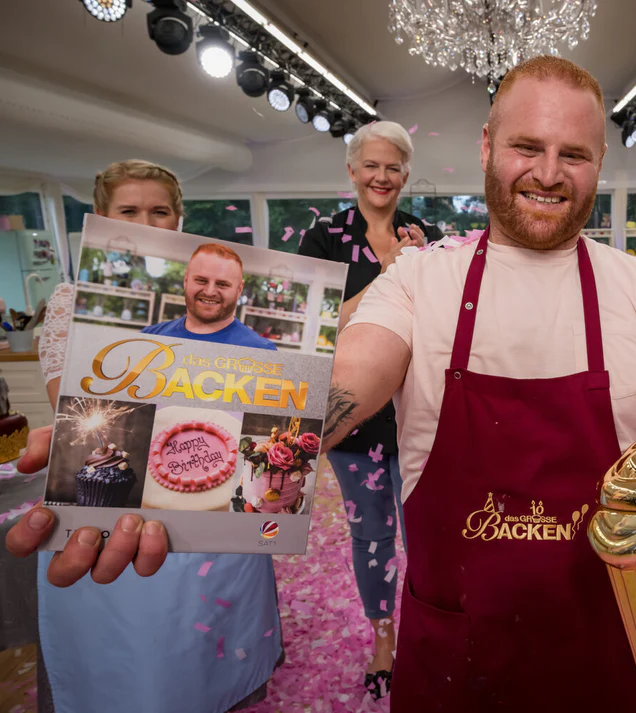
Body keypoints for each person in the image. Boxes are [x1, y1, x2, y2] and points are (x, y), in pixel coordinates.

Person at [323, 55, 636, 712]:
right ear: (488, 146)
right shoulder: (418, 280)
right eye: (526, 146)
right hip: (457, 662)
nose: (547, 173)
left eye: (573, 153)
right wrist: (188, 471)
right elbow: (342, 383)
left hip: (613, 659)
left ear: (600, 160)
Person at [19, 159, 283, 713]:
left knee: (209, 634)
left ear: (179, 220)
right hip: (119, 488)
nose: (147, 222)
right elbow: (77, 411)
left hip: (209, 482)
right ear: (100, 218)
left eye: (159, 211)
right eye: (129, 210)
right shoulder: (74, 301)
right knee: (136, 656)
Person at [298, 120, 443, 697]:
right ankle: (384, 640)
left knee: (424, 535)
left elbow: (444, 323)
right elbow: (315, 329)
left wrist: (423, 269)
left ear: (406, 175)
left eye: (394, 167)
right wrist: (389, 274)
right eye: (372, 165)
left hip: (416, 416)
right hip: (352, 421)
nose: (382, 177)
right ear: (353, 171)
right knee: (373, 536)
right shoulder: (324, 240)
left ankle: (427, 635)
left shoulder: (426, 234)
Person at [142, 242, 275, 349]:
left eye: (222, 284)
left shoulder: (261, 352)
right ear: (186, 281)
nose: (209, 292)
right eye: (201, 280)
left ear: (239, 289)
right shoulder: (148, 339)